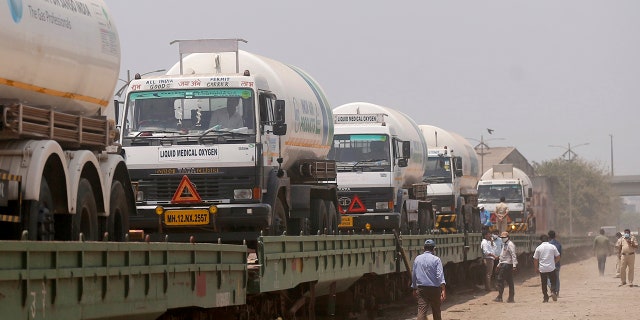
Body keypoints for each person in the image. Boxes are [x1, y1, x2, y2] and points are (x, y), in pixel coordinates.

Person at [411, 239, 446, 320]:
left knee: (421, 310)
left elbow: (414, 274)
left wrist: (414, 288)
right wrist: (443, 289)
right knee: (436, 310)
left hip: (422, 289)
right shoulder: (436, 260)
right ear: (434, 249)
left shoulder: (417, 259)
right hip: (435, 289)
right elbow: (440, 275)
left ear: (423, 248)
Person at [533, 234, 560, 302]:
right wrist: (554, 262)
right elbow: (558, 256)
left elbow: (535, 259)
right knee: (553, 281)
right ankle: (553, 291)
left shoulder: (538, 248)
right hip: (551, 267)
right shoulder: (552, 247)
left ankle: (545, 297)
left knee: (544, 283)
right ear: (548, 239)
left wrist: (536, 268)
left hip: (542, 268)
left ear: (541, 240)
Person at [494, 231, 517, 303]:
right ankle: (510, 298)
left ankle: (500, 297)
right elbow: (502, 256)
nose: (502, 238)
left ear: (508, 237)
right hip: (504, 264)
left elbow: (513, 255)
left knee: (500, 279)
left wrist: (514, 265)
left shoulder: (510, 244)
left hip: (507, 264)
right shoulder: (504, 244)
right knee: (510, 281)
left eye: (504, 237)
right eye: (501, 237)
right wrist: (498, 264)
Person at [547, 230, 562, 296]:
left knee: (548, 278)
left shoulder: (548, 245)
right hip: (557, 263)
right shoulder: (559, 244)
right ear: (555, 236)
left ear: (549, 236)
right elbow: (560, 255)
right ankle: (557, 292)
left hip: (549, 264)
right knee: (557, 278)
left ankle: (553, 290)